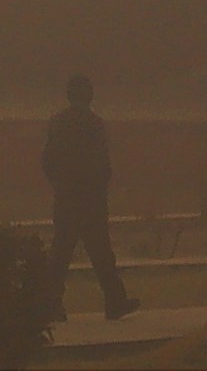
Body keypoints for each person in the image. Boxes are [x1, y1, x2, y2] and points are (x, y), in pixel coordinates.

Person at [42, 71, 132, 319]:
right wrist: (99, 187)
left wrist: (60, 184)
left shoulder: (57, 123)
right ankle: (115, 301)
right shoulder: (94, 124)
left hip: (66, 197)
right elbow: (102, 164)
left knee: (60, 252)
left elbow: (47, 160)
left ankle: (51, 303)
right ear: (90, 96)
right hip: (91, 199)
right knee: (102, 253)